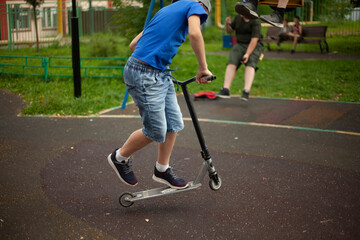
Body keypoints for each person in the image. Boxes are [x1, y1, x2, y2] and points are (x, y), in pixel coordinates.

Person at [107, 0, 212, 190]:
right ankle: (119, 157)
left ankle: (162, 169)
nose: (197, 21)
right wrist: (202, 68)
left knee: (174, 124)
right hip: (145, 74)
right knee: (155, 131)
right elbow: (195, 33)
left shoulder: (167, 10)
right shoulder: (195, 5)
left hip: (158, 73)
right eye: (201, 18)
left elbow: (133, 44)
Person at [218, 12, 263, 101]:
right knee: (232, 62)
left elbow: (254, 39)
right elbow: (229, 31)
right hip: (240, 44)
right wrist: (227, 24)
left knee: (250, 64)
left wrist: (247, 54)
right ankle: (226, 89)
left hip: (254, 45)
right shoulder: (238, 18)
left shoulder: (255, 21)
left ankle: (246, 91)